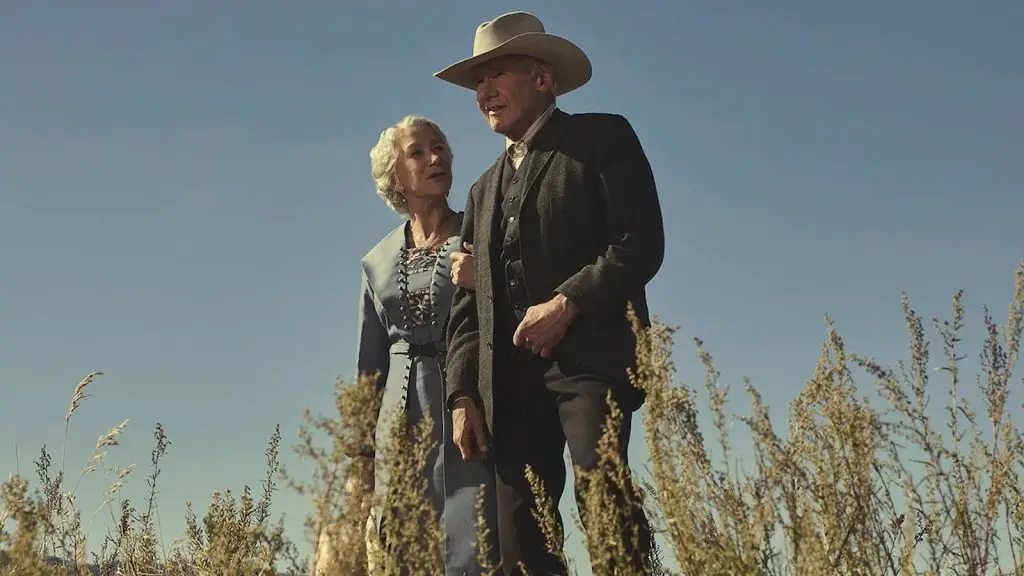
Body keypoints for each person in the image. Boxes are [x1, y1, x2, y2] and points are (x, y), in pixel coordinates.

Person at [437, 11, 665, 576]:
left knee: (605, 503)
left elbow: (640, 242)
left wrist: (568, 302)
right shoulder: (480, 190)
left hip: (590, 364)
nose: (484, 92)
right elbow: (466, 310)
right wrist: (463, 395)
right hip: (507, 386)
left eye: (496, 75)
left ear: (541, 79)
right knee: (520, 537)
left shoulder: (602, 137)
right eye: (476, 84)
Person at [315, 115, 499, 575]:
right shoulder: (375, 263)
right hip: (395, 426)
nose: (435, 157)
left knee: (476, 543)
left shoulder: (480, 237)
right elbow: (368, 370)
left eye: (440, 148)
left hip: (470, 410)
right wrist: (361, 462)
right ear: (396, 176)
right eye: (418, 152)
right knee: (402, 549)